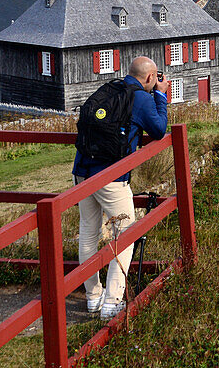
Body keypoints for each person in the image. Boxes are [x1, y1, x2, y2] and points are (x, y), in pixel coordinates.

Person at [73, 55, 169, 320]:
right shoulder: (140, 98)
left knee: (88, 235)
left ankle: (93, 297)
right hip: (111, 177)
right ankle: (112, 302)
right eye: (155, 79)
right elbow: (159, 129)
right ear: (150, 77)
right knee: (124, 235)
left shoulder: (108, 89)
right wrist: (160, 96)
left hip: (82, 171)